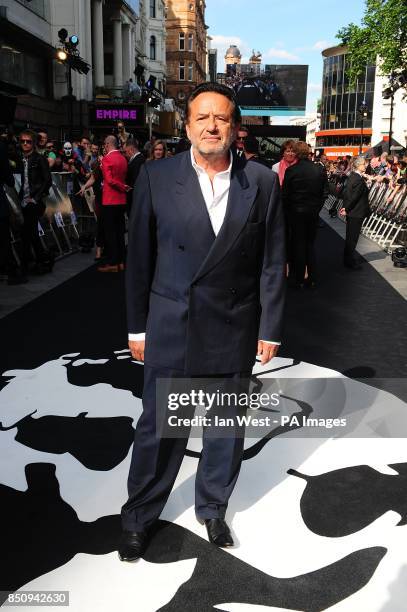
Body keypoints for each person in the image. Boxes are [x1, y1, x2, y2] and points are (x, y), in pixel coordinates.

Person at [118, 81, 286, 562]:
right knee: (160, 431)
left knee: (225, 429)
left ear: (235, 127)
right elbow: (139, 261)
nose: (212, 126)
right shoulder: (155, 176)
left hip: (232, 326)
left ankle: (213, 507)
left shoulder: (261, 182)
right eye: (202, 118)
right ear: (188, 125)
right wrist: (137, 328)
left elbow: (273, 262)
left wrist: (270, 327)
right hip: (171, 325)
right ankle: (139, 517)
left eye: (222, 118)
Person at [282, 140, 329, 289]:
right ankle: (312, 277)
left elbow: (285, 195)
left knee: (298, 244)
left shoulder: (292, 171)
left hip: (295, 213)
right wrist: (317, 208)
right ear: (308, 153)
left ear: (296, 153)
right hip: (312, 212)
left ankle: (300, 278)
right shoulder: (319, 170)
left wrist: (288, 211)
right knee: (310, 244)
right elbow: (325, 193)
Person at [17, 130, 53, 274]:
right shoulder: (18, 158)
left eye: (28, 141)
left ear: (33, 143)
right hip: (22, 201)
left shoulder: (39, 159)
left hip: (34, 202)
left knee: (27, 233)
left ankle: (25, 266)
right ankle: (43, 258)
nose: (25, 144)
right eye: (22, 141)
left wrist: (36, 198)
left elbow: (47, 180)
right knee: (30, 233)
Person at [98, 135, 129, 272]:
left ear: (107, 144)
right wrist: (123, 188)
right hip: (121, 200)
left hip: (110, 201)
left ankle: (113, 263)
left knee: (110, 233)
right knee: (119, 232)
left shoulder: (107, 159)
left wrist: (123, 186)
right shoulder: (123, 158)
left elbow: (109, 181)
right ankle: (121, 261)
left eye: (105, 144)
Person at [340, 156, 370, 270]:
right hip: (356, 212)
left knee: (350, 237)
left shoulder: (353, 176)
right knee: (352, 238)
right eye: (364, 164)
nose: (365, 166)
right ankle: (349, 261)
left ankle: (348, 259)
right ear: (358, 165)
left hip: (353, 211)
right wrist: (346, 208)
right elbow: (354, 197)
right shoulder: (357, 179)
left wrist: (345, 207)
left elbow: (347, 194)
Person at [123, 138, 145, 214]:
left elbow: (136, 180)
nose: (125, 154)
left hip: (134, 199)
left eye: (125, 151)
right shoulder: (138, 159)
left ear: (131, 149)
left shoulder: (138, 160)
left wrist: (128, 187)